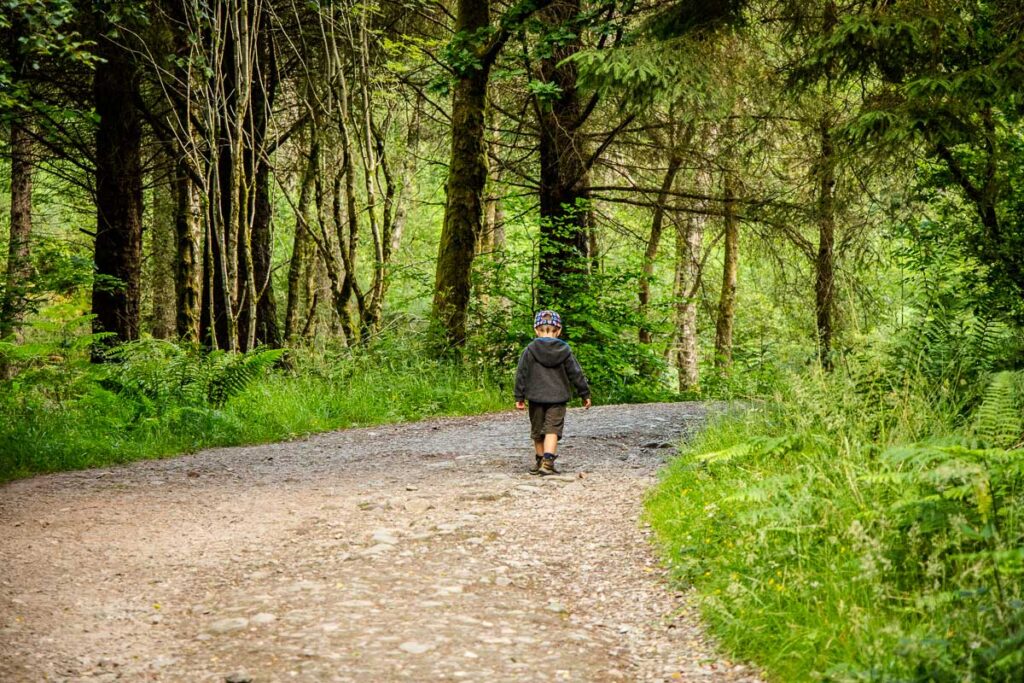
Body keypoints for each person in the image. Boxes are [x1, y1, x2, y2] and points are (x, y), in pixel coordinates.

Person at [514, 310, 591, 475]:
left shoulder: (530, 350)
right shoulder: (565, 350)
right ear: (559, 330)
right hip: (558, 397)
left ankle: (539, 459)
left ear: (536, 330)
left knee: (537, 429)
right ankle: (548, 462)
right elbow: (576, 373)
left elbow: (521, 373)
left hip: (535, 397)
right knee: (552, 429)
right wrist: (584, 394)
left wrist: (519, 396)